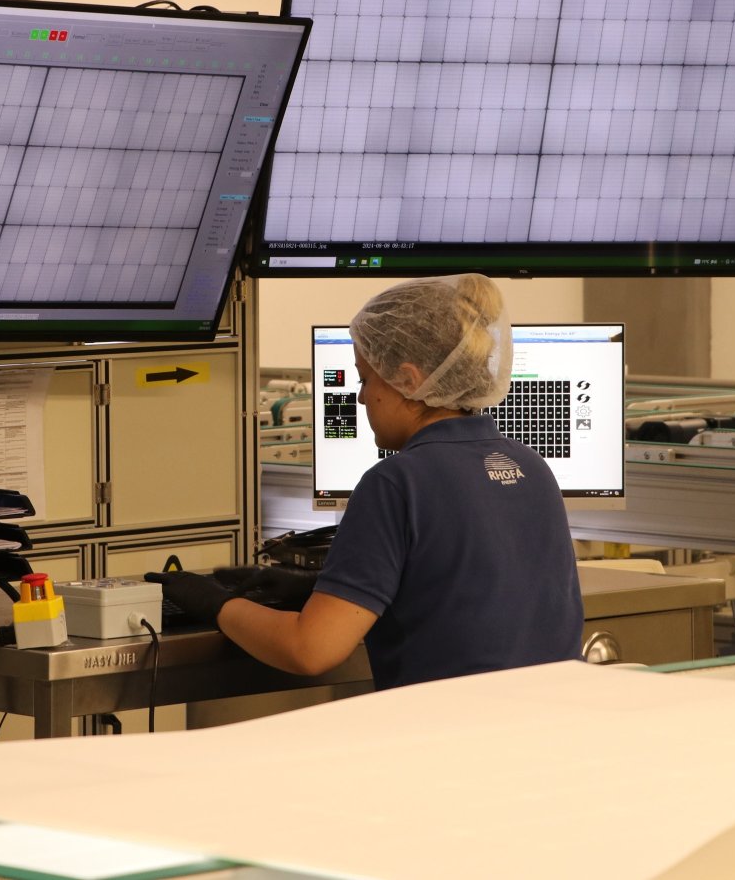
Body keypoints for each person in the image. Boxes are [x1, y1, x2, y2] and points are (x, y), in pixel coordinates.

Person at [147, 274, 584, 691]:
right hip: (547, 739)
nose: (360, 396)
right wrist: (320, 590)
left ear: (409, 381)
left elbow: (310, 649)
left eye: (366, 378)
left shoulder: (397, 482)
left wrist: (216, 604)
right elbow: (465, 596)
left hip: (454, 744)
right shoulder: (530, 466)